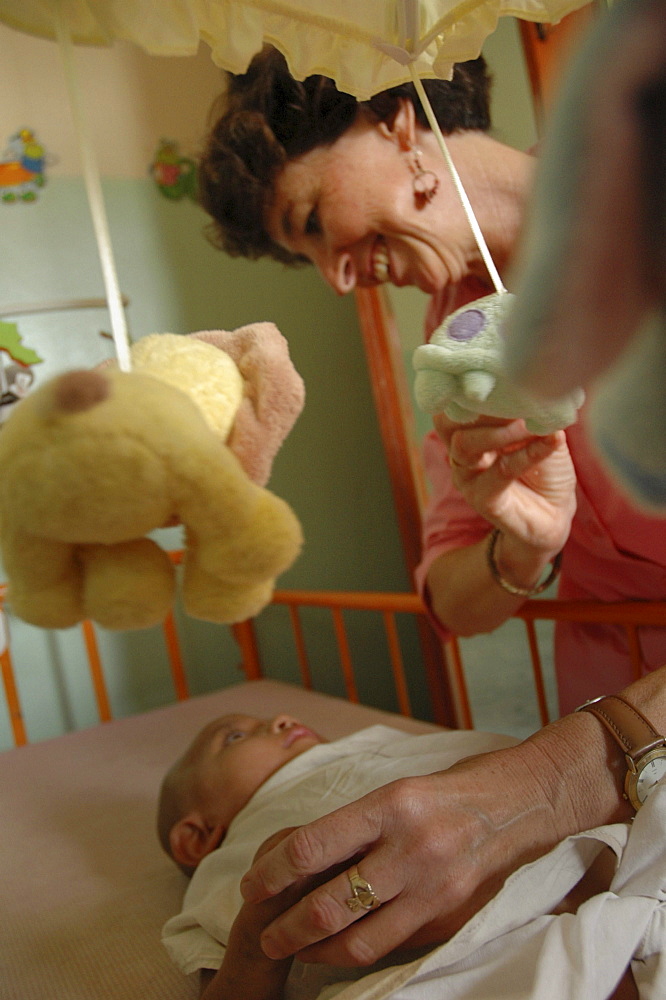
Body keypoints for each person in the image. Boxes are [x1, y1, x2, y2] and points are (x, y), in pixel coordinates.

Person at [194, 42, 666, 981]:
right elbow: (452, 604)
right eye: (312, 257)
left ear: (398, 124)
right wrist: (520, 552)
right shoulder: (459, 320)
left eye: (316, 220)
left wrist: (558, 774)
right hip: (613, 701)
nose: (336, 277)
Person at [158, 712, 641, 1000]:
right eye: (236, 737)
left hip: (591, 825)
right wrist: (257, 934)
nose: (279, 720)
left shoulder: (376, 745)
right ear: (197, 837)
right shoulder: (226, 861)